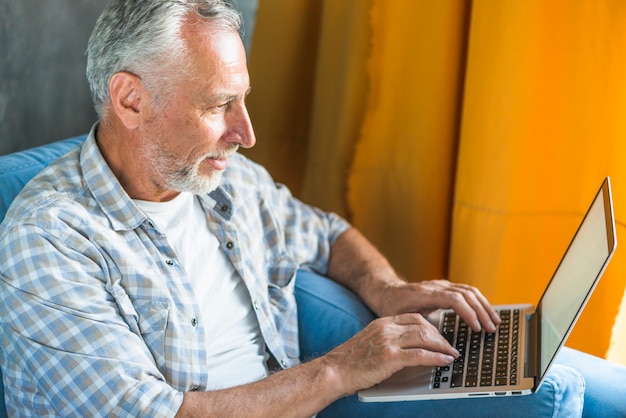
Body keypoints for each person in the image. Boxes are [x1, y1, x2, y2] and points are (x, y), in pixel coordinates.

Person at [0, 0, 624, 416]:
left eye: (243, 100)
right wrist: (341, 369)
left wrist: (387, 288)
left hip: (306, 397)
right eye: (219, 105)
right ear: (131, 100)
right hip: (303, 391)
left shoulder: (222, 180)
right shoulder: (49, 238)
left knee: (580, 382)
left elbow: (326, 234)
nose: (246, 133)